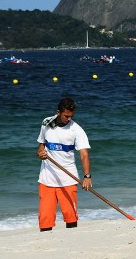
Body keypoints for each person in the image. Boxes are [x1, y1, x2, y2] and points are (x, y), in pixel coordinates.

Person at [36, 97, 91, 231]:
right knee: (45, 218)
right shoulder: (46, 123)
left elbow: (84, 154)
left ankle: (72, 243)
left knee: (70, 216)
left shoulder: (77, 130)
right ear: (58, 112)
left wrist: (87, 176)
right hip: (46, 178)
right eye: (66, 116)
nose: (69, 119)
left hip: (68, 178)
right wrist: (40, 153)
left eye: (71, 116)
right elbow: (40, 147)